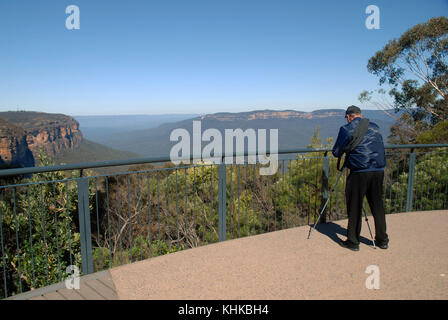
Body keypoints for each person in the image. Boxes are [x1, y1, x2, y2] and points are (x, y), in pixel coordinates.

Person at [332, 105, 389, 251]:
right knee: (377, 205)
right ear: (360, 115)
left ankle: (353, 241)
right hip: (378, 170)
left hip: (359, 172)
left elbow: (336, 152)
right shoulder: (375, 126)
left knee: (355, 206)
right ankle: (382, 240)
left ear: (349, 116)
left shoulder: (346, 129)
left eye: (347, 117)